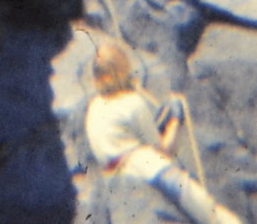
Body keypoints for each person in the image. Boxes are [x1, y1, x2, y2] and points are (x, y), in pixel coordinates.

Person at [84, 41, 244, 224]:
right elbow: (164, 150)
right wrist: (176, 120)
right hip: (146, 167)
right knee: (207, 209)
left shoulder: (94, 106)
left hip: (113, 175)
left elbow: (127, 134)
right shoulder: (133, 102)